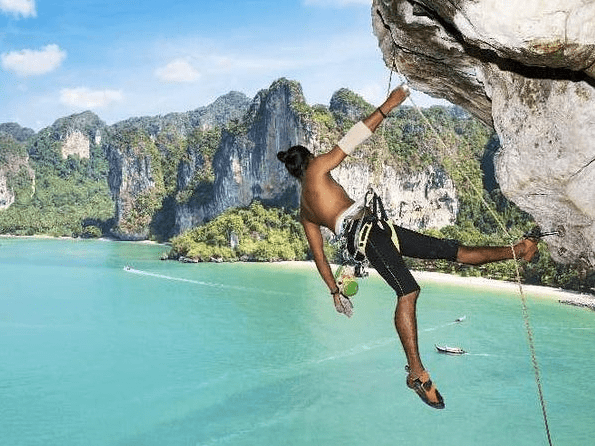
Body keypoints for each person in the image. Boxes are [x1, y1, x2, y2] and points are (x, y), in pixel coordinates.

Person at [276, 84, 538, 409]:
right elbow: (352, 138)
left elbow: (319, 257)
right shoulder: (317, 168)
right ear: (310, 160)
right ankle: (416, 372)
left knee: (455, 251)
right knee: (408, 291)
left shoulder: (305, 211)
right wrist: (390, 103)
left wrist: (334, 291)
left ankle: (520, 249)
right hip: (369, 235)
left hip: (380, 231)